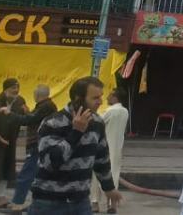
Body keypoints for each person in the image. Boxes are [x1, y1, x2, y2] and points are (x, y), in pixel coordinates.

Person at [30, 76, 123, 214]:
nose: (100, 101)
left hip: (81, 202)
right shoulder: (52, 123)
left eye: (101, 96)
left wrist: (109, 188)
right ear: (78, 99)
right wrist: (76, 133)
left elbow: (101, 159)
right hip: (49, 203)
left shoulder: (97, 123)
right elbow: (51, 162)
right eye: (95, 98)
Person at [4, 84, 57, 213]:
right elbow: (34, 118)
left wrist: (10, 114)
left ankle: (17, 204)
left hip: (38, 146)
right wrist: (28, 112)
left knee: (25, 175)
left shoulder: (46, 106)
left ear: (37, 95)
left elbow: (30, 120)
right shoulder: (46, 106)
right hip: (40, 145)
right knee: (37, 178)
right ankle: (36, 205)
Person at [89, 90, 127, 214]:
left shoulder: (109, 112)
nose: (107, 97)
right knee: (114, 174)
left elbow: (97, 123)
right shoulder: (125, 112)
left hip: (103, 147)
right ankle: (112, 204)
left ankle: (95, 202)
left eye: (110, 95)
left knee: (96, 175)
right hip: (117, 148)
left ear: (116, 98)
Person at [0, 79, 27, 210]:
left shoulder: (20, 101)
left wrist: (27, 111)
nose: (16, 90)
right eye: (13, 88)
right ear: (5, 90)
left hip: (10, 141)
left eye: (17, 88)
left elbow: (26, 119)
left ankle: (0, 198)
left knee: (5, 169)